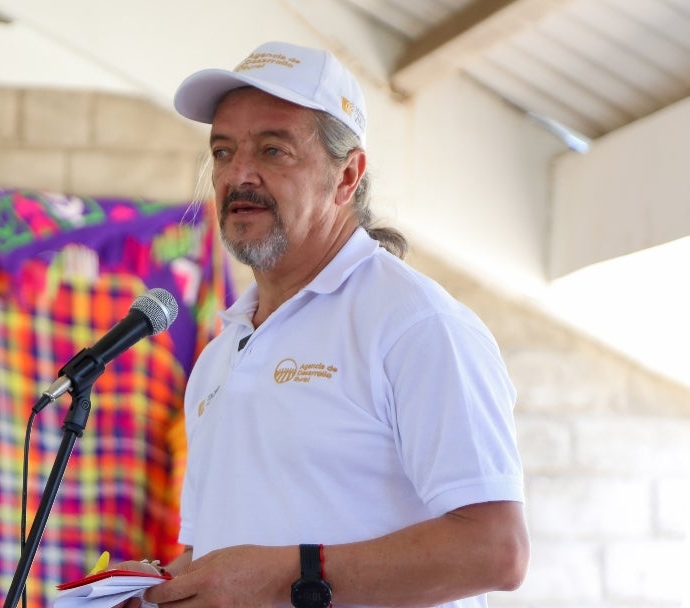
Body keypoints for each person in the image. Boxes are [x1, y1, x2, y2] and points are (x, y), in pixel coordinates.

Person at [116, 40, 529, 607]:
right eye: (222, 151)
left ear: (347, 176)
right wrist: (152, 591)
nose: (239, 175)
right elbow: (226, 557)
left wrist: (283, 575)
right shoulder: (221, 354)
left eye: (273, 150)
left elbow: (494, 550)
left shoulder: (414, 323)